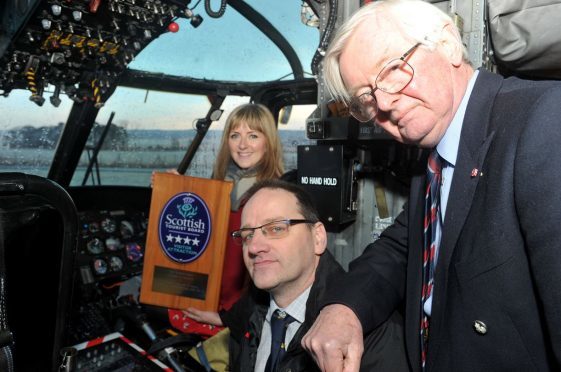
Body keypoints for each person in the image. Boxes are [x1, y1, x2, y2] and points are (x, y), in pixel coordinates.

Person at [301, 0, 561, 371]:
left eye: (392, 70)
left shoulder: (544, 121)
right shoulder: (435, 159)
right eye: (366, 99)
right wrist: (343, 307)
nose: (385, 105)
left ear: (448, 45)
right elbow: (402, 248)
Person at [221, 179, 407, 372]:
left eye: (276, 228)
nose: (254, 247)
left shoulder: (366, 331)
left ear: (318, 237)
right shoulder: (245, 318)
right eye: (247, 235)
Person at [163, 103, 285, 336]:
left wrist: (227, 317)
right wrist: (171, 190)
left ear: (268, 142)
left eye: (253, 135)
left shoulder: (276, 197)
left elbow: (275, 276)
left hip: (242, 312)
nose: (242, 145)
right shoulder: (220, 188)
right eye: (235, 135)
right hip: (209, 296)